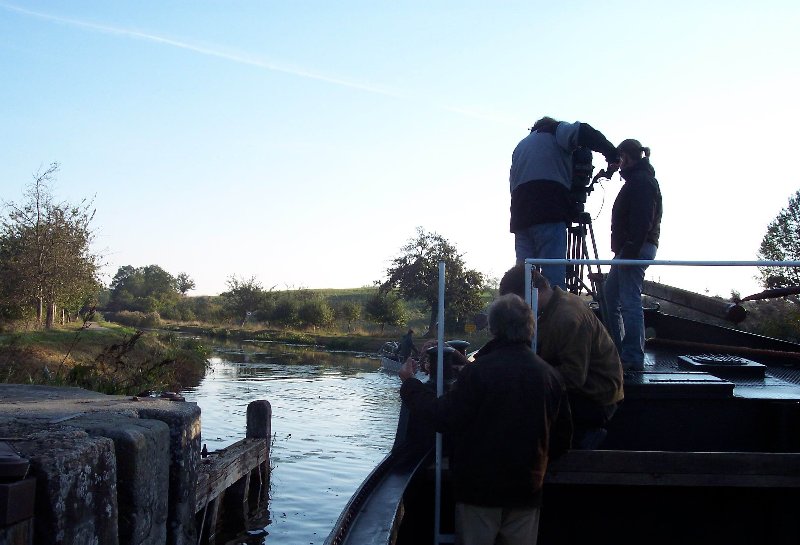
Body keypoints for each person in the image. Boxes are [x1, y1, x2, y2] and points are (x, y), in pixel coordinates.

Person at [399, 294, 572, 545]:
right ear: (530, 328)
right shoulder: (550, 376)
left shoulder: (478, 373)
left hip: (478, 494)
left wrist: (410, 384)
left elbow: (443, 417)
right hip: (527, 492)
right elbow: (562, 439)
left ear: (493, 328)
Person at [499, 264, 624, 448]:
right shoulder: (551, 307)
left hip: (596, 398)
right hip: (587, 388)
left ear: (528, 295)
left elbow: (573, 377)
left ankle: (581, 437)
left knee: (524, 407)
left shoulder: (567, 318)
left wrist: (526, 377)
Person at [509, 116, 619, 289]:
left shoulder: (521, 146)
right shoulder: (554, 130)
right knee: (554, 282)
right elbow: (583, 131)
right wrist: (611, 153)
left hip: (520, 219)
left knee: (524, 282)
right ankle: (558, 314)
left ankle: (524, 315)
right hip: (550, 212)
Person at [604, 139, 663, 371]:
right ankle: (620, 352)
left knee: (628, 300)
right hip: (630, 248)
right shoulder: (641, 180)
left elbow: (641, 220)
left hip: (635, 249)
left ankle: (632, 357)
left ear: (626, 157)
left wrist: (629, 250)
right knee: (611, 296)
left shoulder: (641, 182)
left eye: (620, 159)